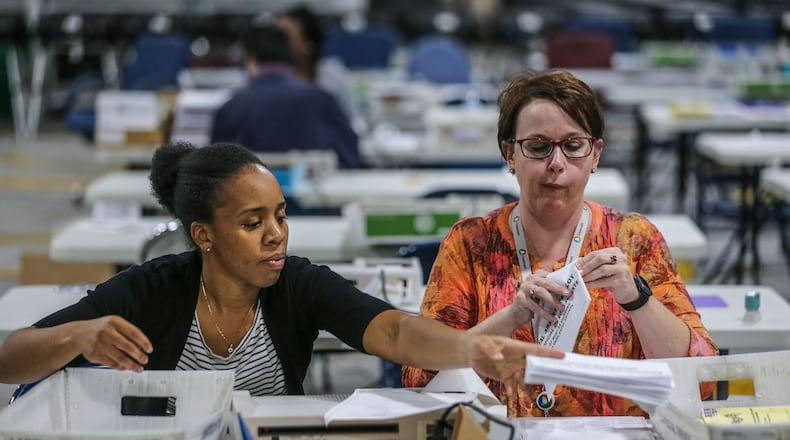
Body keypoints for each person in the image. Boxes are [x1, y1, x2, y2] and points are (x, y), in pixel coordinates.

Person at [0, 141, 564, 398]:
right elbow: (8, 360)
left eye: (280, 215)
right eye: (251, 222)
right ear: (204, 236)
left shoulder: (296, 282)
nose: (276, 234)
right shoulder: (153, 288)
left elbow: (390, 329)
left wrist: (471, 349)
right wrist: (80, 335)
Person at [402, 70, 718, 417]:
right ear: (510, 154)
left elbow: (702, 380)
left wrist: (637, 298)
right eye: (538, 147)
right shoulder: (471, 243)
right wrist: (511, 316)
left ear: (595, 154)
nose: (557, 164)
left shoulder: (634, 239)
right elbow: (420, 377)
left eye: (573, 146)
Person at [210, 24, 360, 168]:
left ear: (251, 59)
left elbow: (213, 171)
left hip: (252, 192)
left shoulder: (232, 108)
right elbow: (351, 156)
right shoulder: (322, 99)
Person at [276, 5, 366, 134]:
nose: (276, 45)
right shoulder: (273, 80)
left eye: (285, 38)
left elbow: (353, 121)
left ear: (308, 44)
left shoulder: (332, 78)